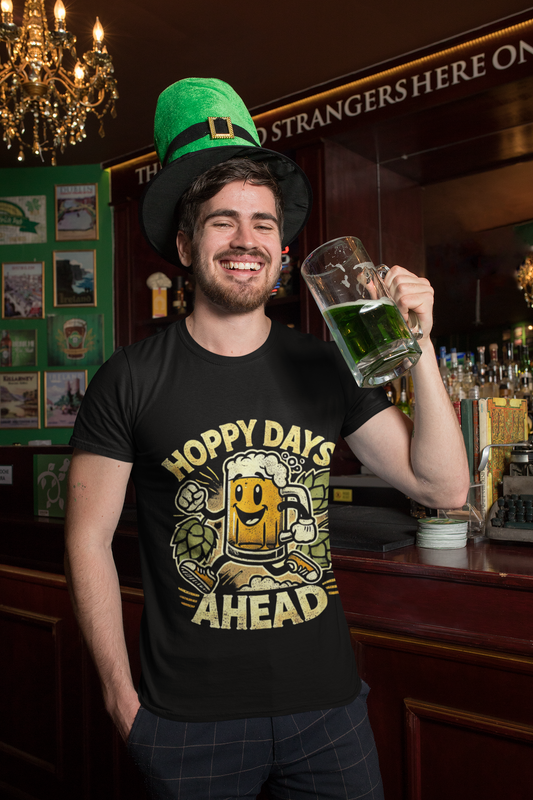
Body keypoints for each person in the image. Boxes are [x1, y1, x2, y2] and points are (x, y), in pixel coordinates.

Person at [64, 78, 470, 800]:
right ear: (185, 245)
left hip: (327, 713)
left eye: (262, 223)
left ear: (282, 251)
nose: (246, 241)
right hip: (186, 719)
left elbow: (441, 488)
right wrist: (120, 702)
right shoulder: (128, 379)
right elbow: (87, 540)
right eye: (222, 222)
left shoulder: (326, 363)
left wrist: (422, 349)